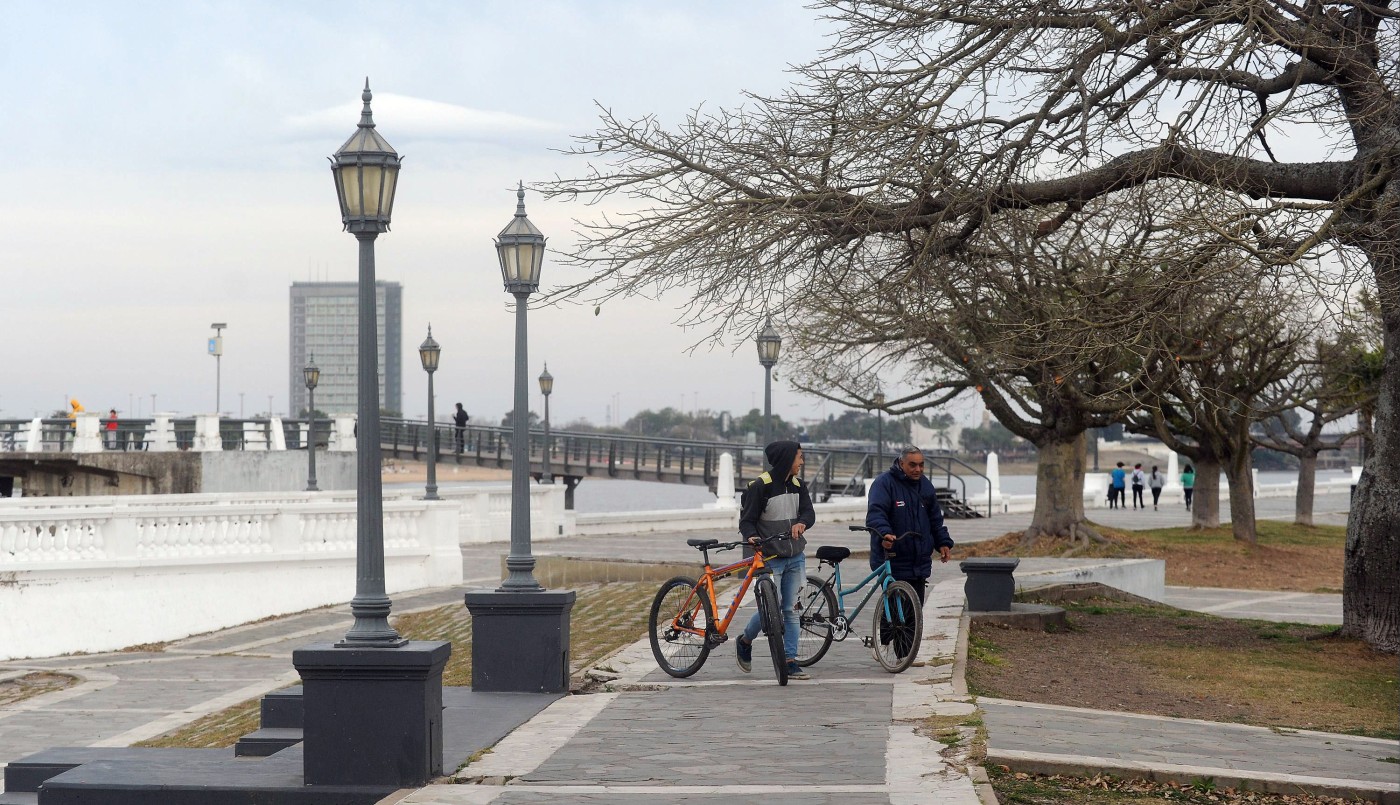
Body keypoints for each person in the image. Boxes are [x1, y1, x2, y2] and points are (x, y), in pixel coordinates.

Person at [734, 440, 815, 681]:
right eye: (799, 457)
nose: (802, 462)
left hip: (795, 556)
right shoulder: (761, 486)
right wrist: (752, 536)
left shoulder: (799, 485)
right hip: (770, 558)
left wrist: (803, 522)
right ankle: (745, 640)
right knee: (771, 607)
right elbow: (746, 521)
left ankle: (789, 661)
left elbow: (809, 512)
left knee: (792, 609)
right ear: (787, 459)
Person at [867, 447, 954, 605]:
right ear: (901, 463)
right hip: (893, 561)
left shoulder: (926, 486)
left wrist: (943, 542)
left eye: (921, 465)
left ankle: (913, 631)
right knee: (893, 617)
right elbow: (876, 514)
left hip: (919, 563)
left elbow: (935, 519)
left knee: (915, 615)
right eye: (912, 465)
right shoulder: (884, 483)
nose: (918, 469)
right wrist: (884, 533)